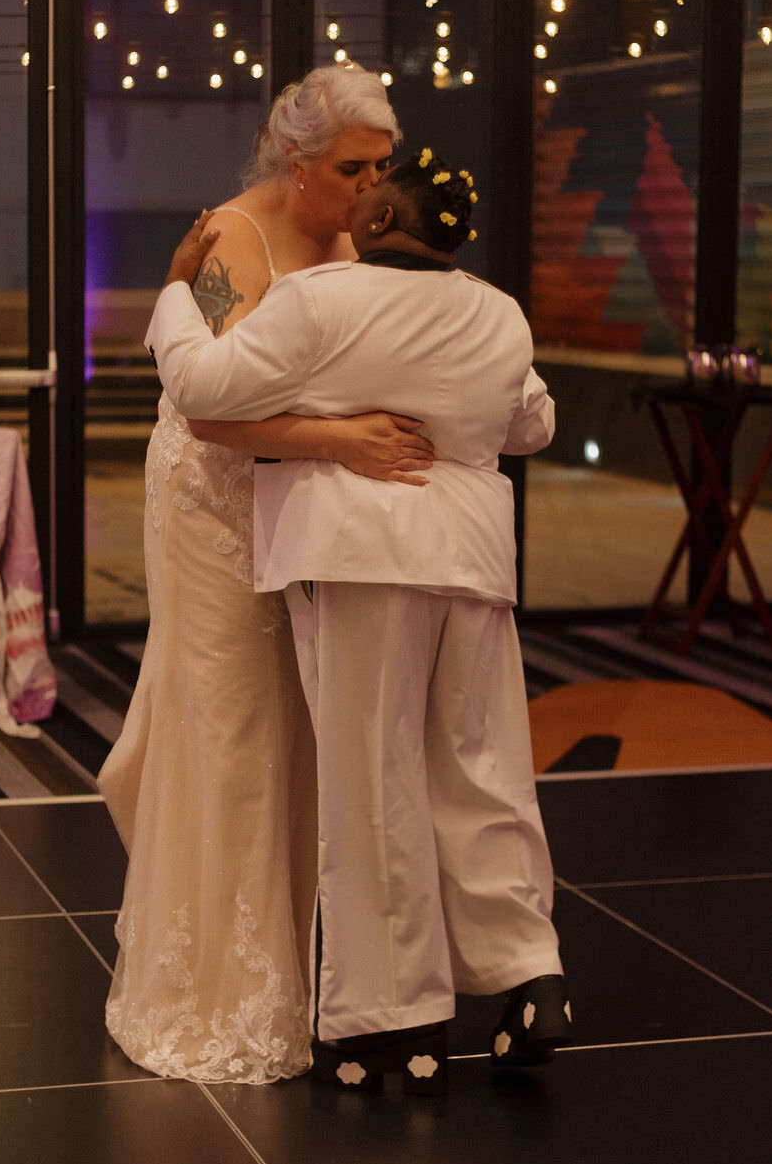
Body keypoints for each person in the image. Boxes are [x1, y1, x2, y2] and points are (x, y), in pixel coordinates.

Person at [150, 150, 572, 1095]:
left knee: (373, 777)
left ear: (381, 219)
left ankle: (396, 1025)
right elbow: (530, 423)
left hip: (361, 556)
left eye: (369, 188)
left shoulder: (324, 301)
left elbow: (205, 388)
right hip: (470, 559)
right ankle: (529, 974)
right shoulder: (497, 311)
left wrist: (179, 292)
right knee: (482, 765)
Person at [96, 65, 431, 1086]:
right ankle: (211, 991)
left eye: (383, 165)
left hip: (295, 501)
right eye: (352, 167)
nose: (373, 185)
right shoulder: (228, 241)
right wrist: (341, 439)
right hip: (208, 500)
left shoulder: (350, 235)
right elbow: (200, 404)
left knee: (298, 727)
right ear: (295, 160)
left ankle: (297, 967)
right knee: (232, 728)